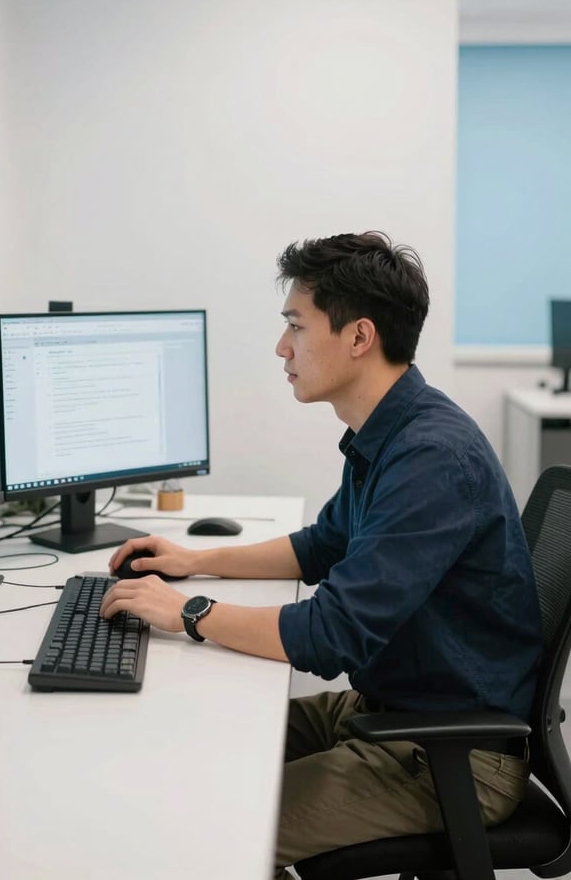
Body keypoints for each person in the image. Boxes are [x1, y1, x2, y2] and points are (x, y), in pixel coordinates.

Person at [100, 231, 543, 877]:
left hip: (454, 755)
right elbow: (321, 545)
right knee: (200, 745)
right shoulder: (389, 431)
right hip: (395, 710)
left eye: (296, 326)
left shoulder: (431, 457)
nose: (283, 347)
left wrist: (189, 610)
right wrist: (192, 560)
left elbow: (332, 634)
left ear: (359, 337)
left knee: (212, 828)